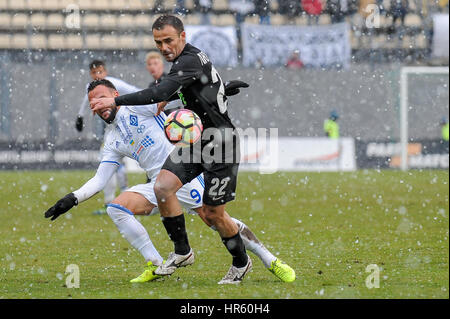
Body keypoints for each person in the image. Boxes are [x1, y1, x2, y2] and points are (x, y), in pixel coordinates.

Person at [45, 79, 295, 284]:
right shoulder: (111, 140)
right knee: (117, 208)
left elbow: (173, 96)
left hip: (182, 174)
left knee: (216, 220)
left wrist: (217, 92)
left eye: (101, 97)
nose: (97, 104)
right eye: (92, 102)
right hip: (159, 183)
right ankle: (155, 265)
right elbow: (100, 179)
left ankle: (269, 259)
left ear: (115, 95)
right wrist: (73, 199)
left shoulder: (136, 107)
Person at [90, 15, 278, 284]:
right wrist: (221, 89)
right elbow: (190, 89)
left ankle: (241, 263)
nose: (164, 47)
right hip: (195, 142)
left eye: (168, 40)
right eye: (158, 42)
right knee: (163, 187)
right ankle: (182, 251)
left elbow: (162, 91)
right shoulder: (187, 62)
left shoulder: (187, 60)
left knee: (213, 215)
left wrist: (116, 99)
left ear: (183, 37)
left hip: (220, 143)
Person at [75, 60, 142, 215]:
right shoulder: (90, 88)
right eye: (94, 73)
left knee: (111, 161)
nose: (97, 75)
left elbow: (135, 91)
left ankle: (118, 200)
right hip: (111, 128)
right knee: (113, 161)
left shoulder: (114, 83)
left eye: (100, 72)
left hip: (125, 126)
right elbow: (86, 101)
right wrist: (80, 116)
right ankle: (121, 199)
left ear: (105, 72)